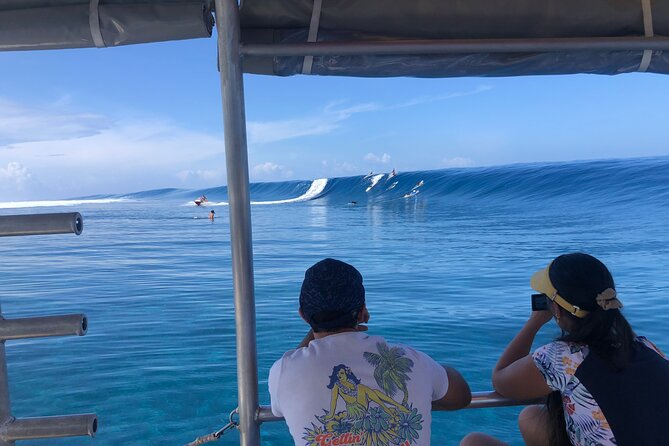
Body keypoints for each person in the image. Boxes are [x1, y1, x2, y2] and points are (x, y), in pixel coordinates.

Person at [461, 253, 669, 446]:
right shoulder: (646, 346)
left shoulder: (564, 357)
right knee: (532, 417)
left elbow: (501, 381)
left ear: (557, 309)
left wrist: (534, 322)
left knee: (474, 442)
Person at [269, 258, 471, 446]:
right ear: (363, 312)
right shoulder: (410, 360)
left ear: (303, 315)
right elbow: (461, 396)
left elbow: (285, 401)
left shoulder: (284, 371)